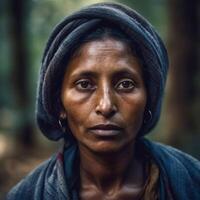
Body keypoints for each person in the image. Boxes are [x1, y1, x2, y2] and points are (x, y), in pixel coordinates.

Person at [7, 2, 200, 200]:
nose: (106, 106)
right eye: (84, 84)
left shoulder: (192, 181)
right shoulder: (27, 195)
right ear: (60, 103)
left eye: (125, 84)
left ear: (149, 98)